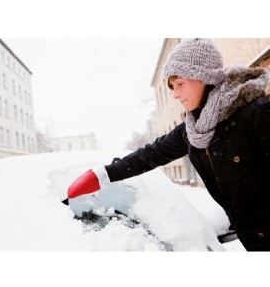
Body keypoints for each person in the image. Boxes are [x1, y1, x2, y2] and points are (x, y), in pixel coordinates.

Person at [66, 38, 270, 251]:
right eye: (172, 86)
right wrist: (102, 175)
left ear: (205, 77)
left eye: (180, 84)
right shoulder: (193, 130)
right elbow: (151, 154)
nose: (174, 94)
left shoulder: (255, 115)